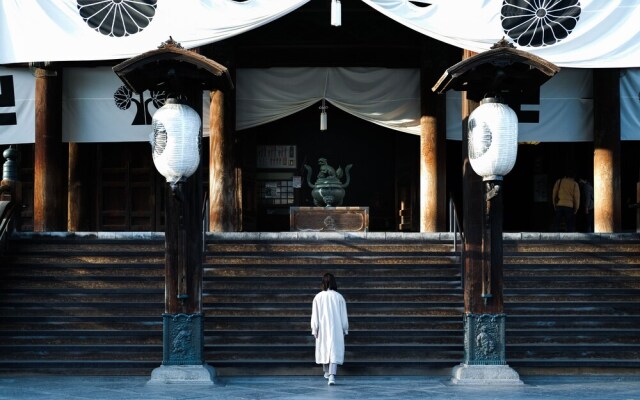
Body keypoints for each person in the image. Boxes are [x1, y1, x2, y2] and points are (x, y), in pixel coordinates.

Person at [311, 272, 349, 386]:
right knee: (334, 350)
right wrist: (345, 328)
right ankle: (332, 375)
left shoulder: (318, 297)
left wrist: (315, 329)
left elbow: (315, 315)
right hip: (336, 327)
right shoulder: (339, 297)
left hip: (322, 327)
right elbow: (344, 315)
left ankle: (327, 372)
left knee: (324, 349)